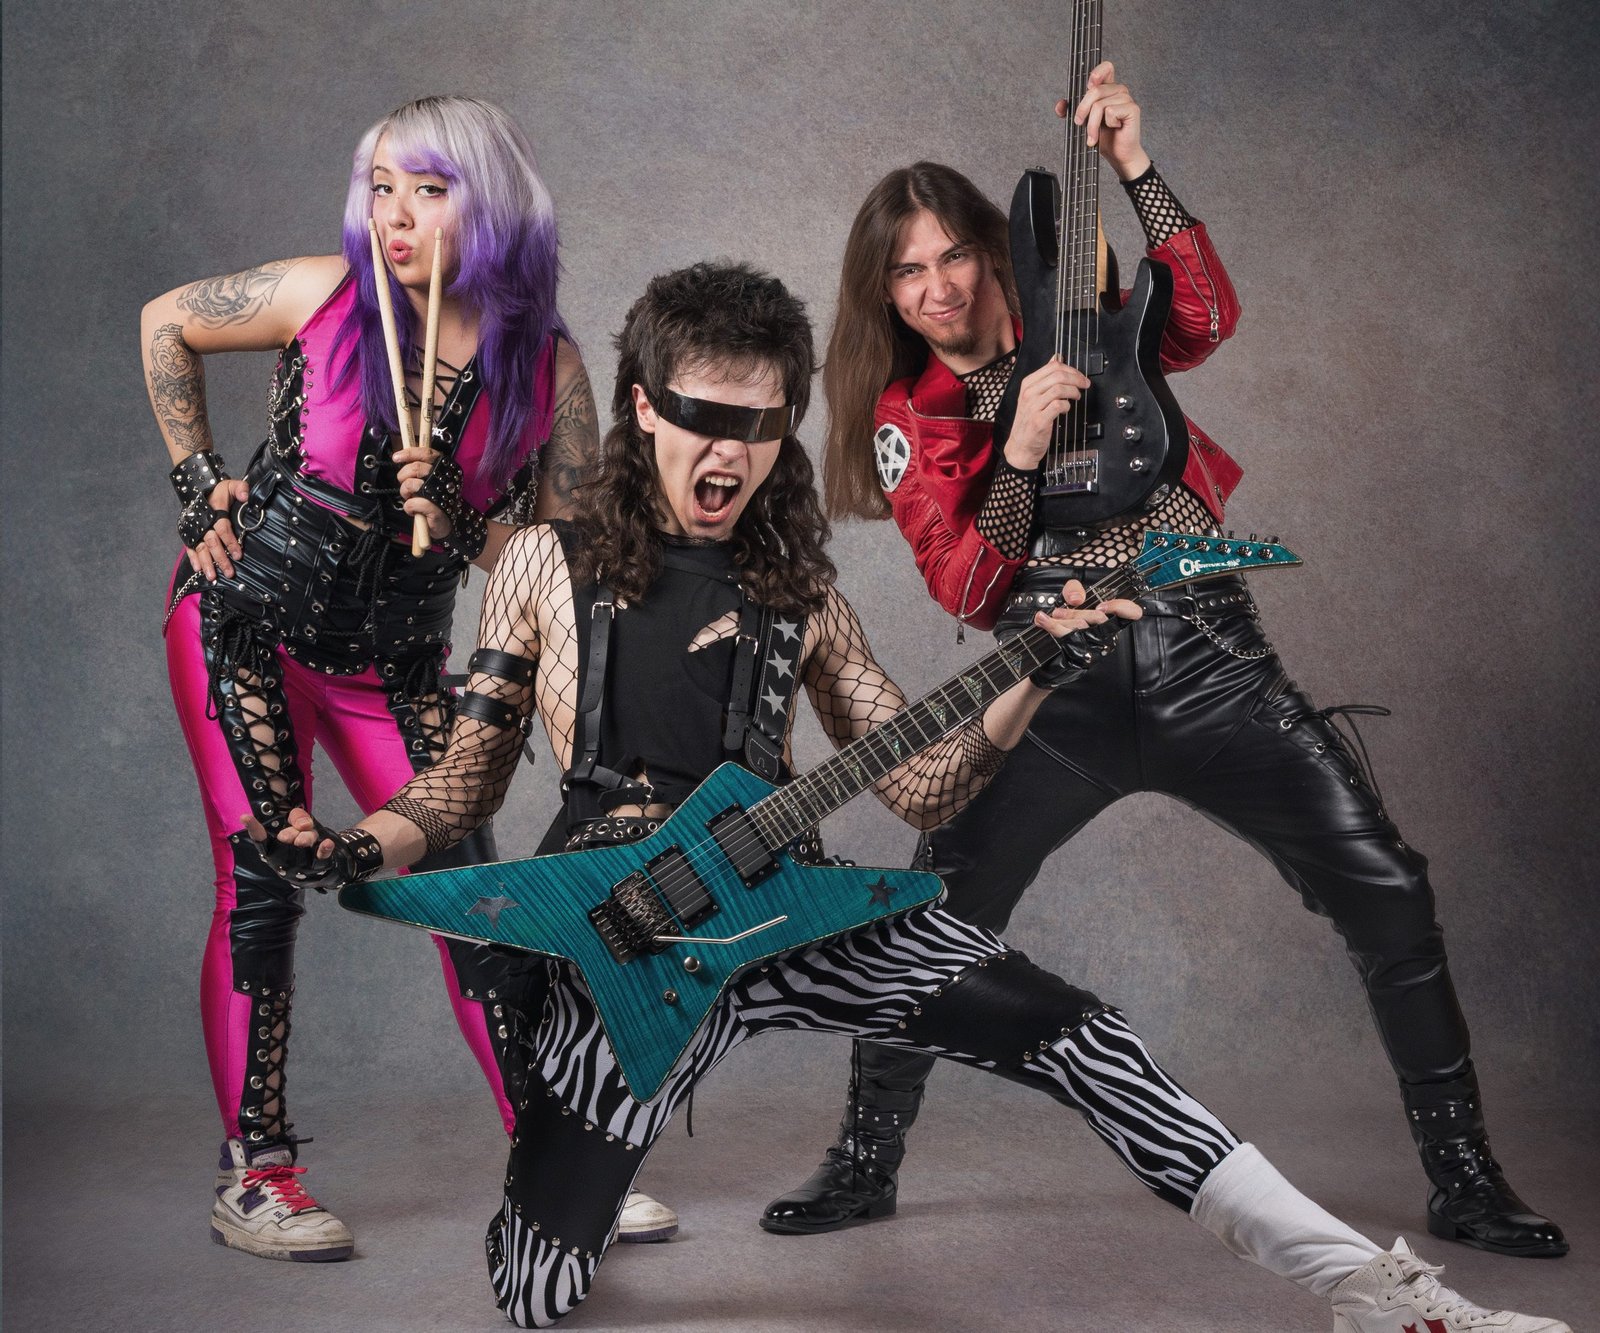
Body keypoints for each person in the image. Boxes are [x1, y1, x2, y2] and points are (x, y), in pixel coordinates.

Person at [249, 262, 1566, 1332]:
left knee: (1085, 1037)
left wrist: (1033, 669)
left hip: (792, 904)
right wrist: (358, 844)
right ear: (641, 408)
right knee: (535, 1290)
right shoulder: (544, 560)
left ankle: (1375, 1292)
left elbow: (924, 772)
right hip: (618, 937)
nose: (731, 453)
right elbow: (467, 774)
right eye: (703, 417)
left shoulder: (799, 596)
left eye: (761, 424)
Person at [764, 61, 1565, 1259]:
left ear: (991, 249)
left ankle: (1464, 1176)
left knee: (1387, 888)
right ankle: (864, 1160)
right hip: (1048, 694)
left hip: (1206, 656)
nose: (936, 289)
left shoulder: (1079, 315)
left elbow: (1203, 321)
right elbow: (967, 590)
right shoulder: (908, 413)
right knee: (928, 914)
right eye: (906, 272)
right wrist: (1018, 448)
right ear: (883, 291)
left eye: (953, 256)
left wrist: (1133, 164)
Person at [142, 94, 673, 1262]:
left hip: (393, 663)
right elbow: (164, 322)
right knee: (262, 878)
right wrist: (196, 481)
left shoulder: (548, 370)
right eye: (381, 187)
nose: (394, 215)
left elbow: (565, 561)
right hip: (242, 622)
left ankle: (552, 1159)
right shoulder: (322, 295)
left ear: (493, 202)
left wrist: (468, 524)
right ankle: (257, 1176)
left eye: (428, 191)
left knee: (473, 892)